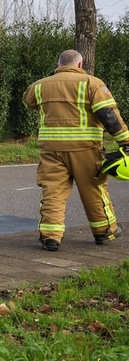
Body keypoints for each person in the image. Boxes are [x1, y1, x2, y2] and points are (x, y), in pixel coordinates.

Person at [23, 49, 129, 251]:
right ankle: (105, 232)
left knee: (53, 192)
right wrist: (125, 140)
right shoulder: (92, 84)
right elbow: (108, 115)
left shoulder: (39, 86)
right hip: (85, 149)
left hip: (51, 150)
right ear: (80, 65)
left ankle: (50, 237)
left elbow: (29, 102)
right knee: (93, 189)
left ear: (59, 64)